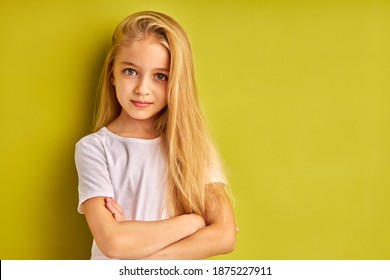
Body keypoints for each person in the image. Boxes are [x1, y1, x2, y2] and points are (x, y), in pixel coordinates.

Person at [75, 11, 237, 260]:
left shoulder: (192, 146)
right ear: (112, 75)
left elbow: (224, 236)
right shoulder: (94, 148)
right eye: (130, 72)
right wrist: (191, 223)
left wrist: (143, 257)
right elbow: (113, 242)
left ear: (176, 83)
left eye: (160, 76)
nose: (142, 89)